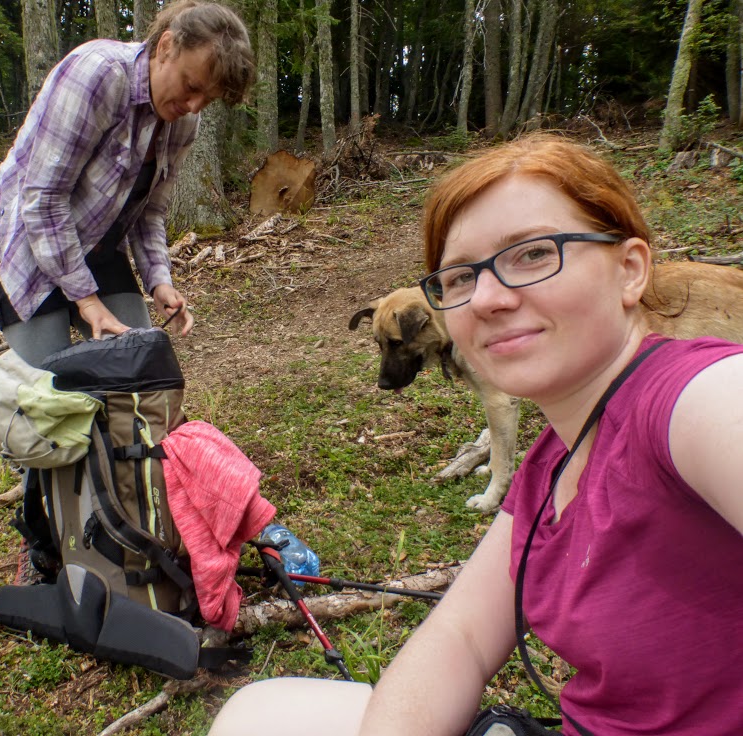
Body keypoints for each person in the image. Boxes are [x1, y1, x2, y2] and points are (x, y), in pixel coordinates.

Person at [208, 135, 743, 736]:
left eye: (535, 254)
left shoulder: (691, 401)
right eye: (461, 276)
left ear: (630, 269)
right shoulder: (550, 465)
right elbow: (460, 636)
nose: (488, 297)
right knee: (259, 712)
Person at [0, 0, 255, 367]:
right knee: (54, 392)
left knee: (141, 366)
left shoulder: (183, 122)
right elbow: (43, 199)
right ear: (166, 46)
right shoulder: (98, 75)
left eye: (209, 98)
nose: (194, 106)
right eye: (191, 86)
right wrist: (87, 300)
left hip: (98, 247)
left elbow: (150, 210)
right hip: (26, 244)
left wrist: (159, 281)